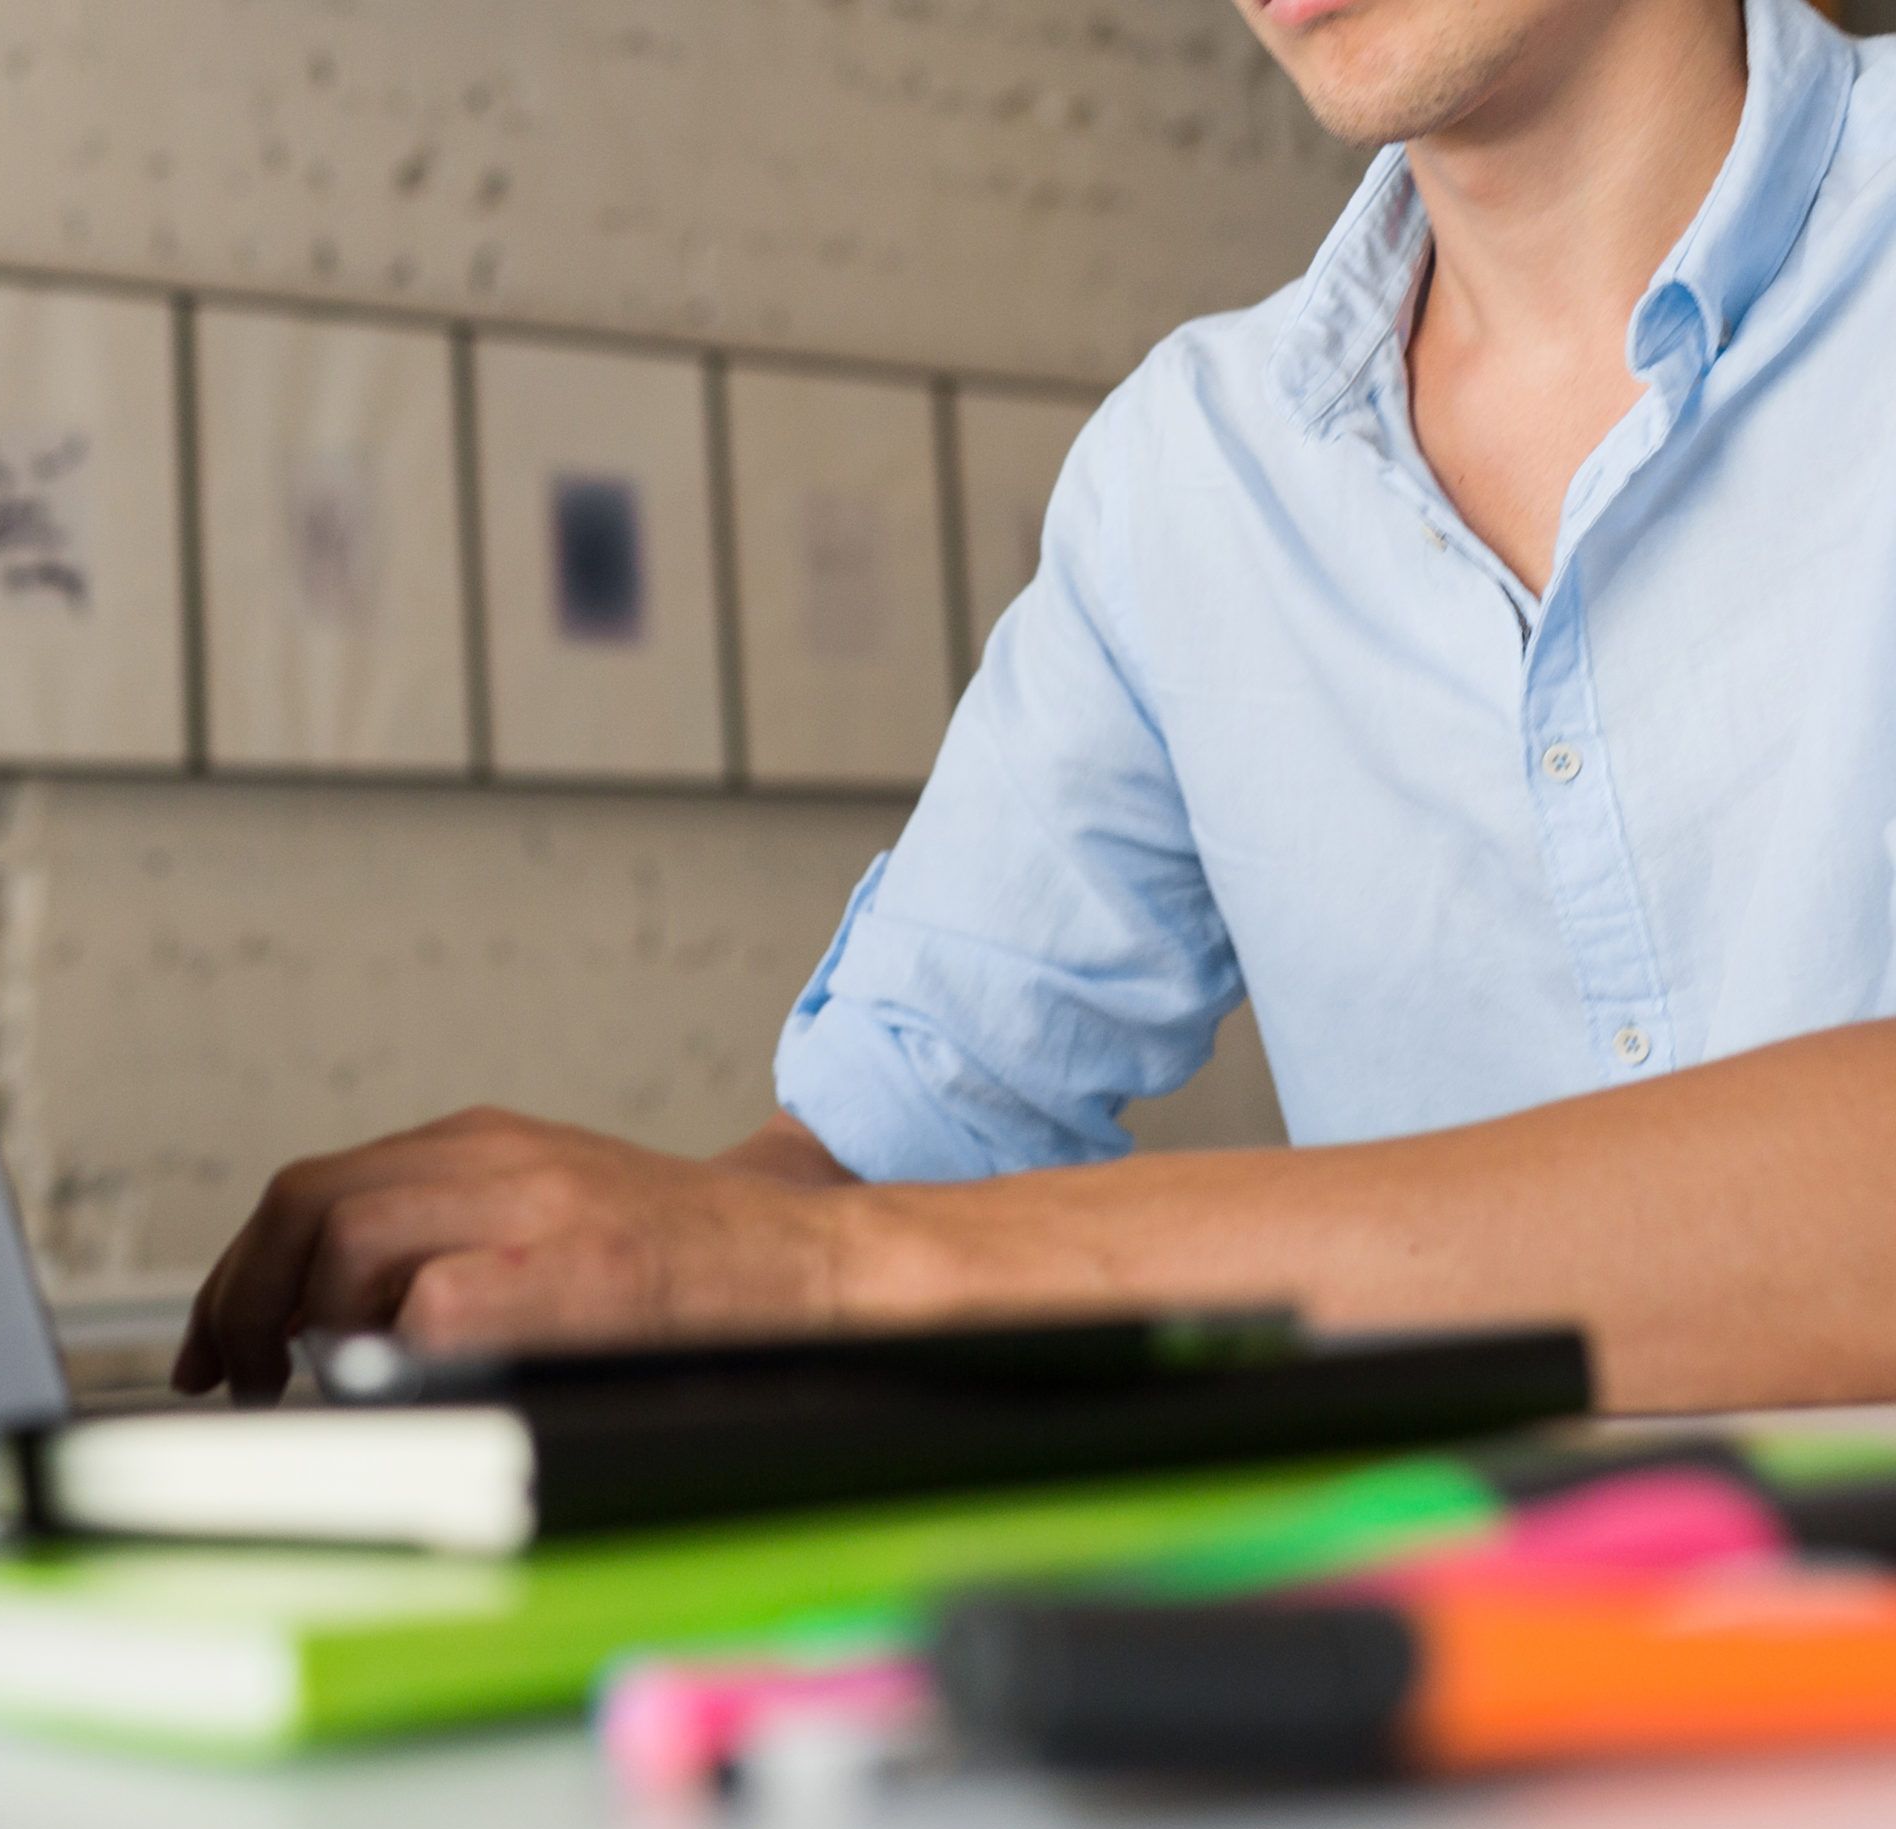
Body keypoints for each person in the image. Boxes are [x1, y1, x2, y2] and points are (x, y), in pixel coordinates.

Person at [176, 0, 1896, 1414]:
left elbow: (864, 1259)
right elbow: (896, 1148)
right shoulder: (1190, 474)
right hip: (1495, 1734)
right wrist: (581, 1273)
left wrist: (839, 1279)